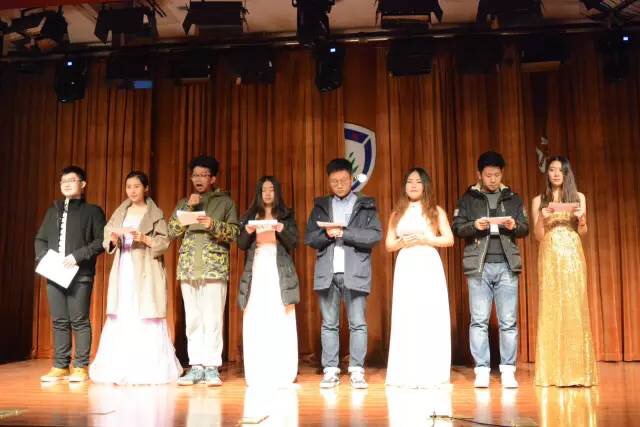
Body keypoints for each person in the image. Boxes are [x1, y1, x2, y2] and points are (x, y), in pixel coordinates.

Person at [90, 171, 182, 385]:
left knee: (145, 309)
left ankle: (147, 367)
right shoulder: (121, 211)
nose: (132, 191)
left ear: (145, 188)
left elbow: (164, 241)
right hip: (124, 266)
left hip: (146, 267)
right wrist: (113, 239)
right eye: (129, 187)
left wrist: (145, 239)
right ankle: (119, 366)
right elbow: (108, 235)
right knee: (124, 308)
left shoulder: (155, 213)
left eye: (137, 186)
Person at [452, 151, 529, 388]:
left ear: (502, 173)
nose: (493, 179)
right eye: (488, 175)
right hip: (479, 266)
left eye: (496, 174)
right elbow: (457, 227)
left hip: (507, 265)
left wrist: (514, 225)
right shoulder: (468, 198)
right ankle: (482, 370)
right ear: (479, 175)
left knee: (508, 321)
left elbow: (525, 227)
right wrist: (474, 225)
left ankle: (508, 370)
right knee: (479, 320)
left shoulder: (513, 198)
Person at [304, 158, 382, 389]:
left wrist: (343, 233)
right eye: (334, 181)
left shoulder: (365, 204)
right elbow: (309, 237)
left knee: (358, 323)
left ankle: (357, 370)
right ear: (329, 181)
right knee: (329, 324)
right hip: (327, 272)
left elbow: (374, 235)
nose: (339, 185)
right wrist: (327, 235)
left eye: (343, 180)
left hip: (355, 271)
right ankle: (330, 370)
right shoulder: (321, 205)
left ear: (351, 179)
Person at [168, 155, 239, 386]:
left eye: (203, 175)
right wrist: (189, 207)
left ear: (213, 178)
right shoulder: (184, 202)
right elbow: (171, 231)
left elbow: (235, 233)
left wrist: (213, 225)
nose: (198, 179)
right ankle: (196, 365)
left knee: (212, 318)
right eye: (195, 175)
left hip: (213, 268)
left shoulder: (225, 202)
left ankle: (211, 367)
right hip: (188, 267)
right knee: (193, 319)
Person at [35, 165, 106, 383]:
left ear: (82, 184)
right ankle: (60, 365)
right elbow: (40, 239)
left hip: (80, 273)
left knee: (79, 320)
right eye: (63, 181)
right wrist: (44, 259)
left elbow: (101, 241)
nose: (66, 184)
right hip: (54, 273)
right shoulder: (53, 210)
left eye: (72, 180)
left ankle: (81, 367)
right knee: (59, 321)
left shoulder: (92, 211)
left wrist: (78, 255)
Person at [532, 156, 598, 387]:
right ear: (547, 173)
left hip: (572, 253)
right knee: (551, 306)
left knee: (574, 304)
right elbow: (538, 236)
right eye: (552, 170)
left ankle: (577, 372)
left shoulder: (579, 197)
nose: (556, 174)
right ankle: (551, 373)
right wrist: (542, 218)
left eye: (561, 170)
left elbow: (583, 231)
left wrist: (582, 219)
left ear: (567, 173)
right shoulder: (539, 200)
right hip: (550, 253)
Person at [385, 167, 454, 388]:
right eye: (409, 181)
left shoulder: (435, 211)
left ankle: (431, 370)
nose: (413, 185)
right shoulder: (397, 213)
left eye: (418, 181)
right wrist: (401, 242)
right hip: (406, 264)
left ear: (425, 186)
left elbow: (449, 239)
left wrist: (427, 239)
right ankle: (406, 371)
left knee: (429, 314)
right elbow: (389, 244)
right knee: (407, 314)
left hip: (428, 263)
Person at [237, 176, 299, 388]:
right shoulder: (250, 215)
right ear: (259, 193)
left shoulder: (286, 214)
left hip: (278, 267)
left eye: (271, 189)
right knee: (256, 314)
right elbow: (241, 244)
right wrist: (247, 232)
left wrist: (282, 230)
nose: (268, 193)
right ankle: (258, 369)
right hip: (257, 267)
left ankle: (283, 369)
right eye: (264, 190)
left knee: (280, 313)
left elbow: (294, 242)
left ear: (277, 191)